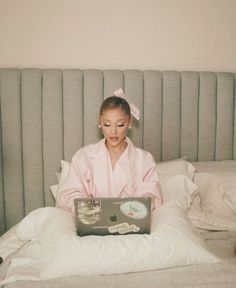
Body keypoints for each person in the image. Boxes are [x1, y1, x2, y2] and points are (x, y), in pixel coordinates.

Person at [56, 88, 162, 212]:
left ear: (129, 122)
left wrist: (130, 210)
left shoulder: (144, 160)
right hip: (92, 222)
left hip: (132, 223)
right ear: (100, 121)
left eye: (120, 125)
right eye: (107, 124)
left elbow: (151, 195)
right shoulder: (83, 157)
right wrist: (90, 210)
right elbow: (71, 194)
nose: (113, 132)